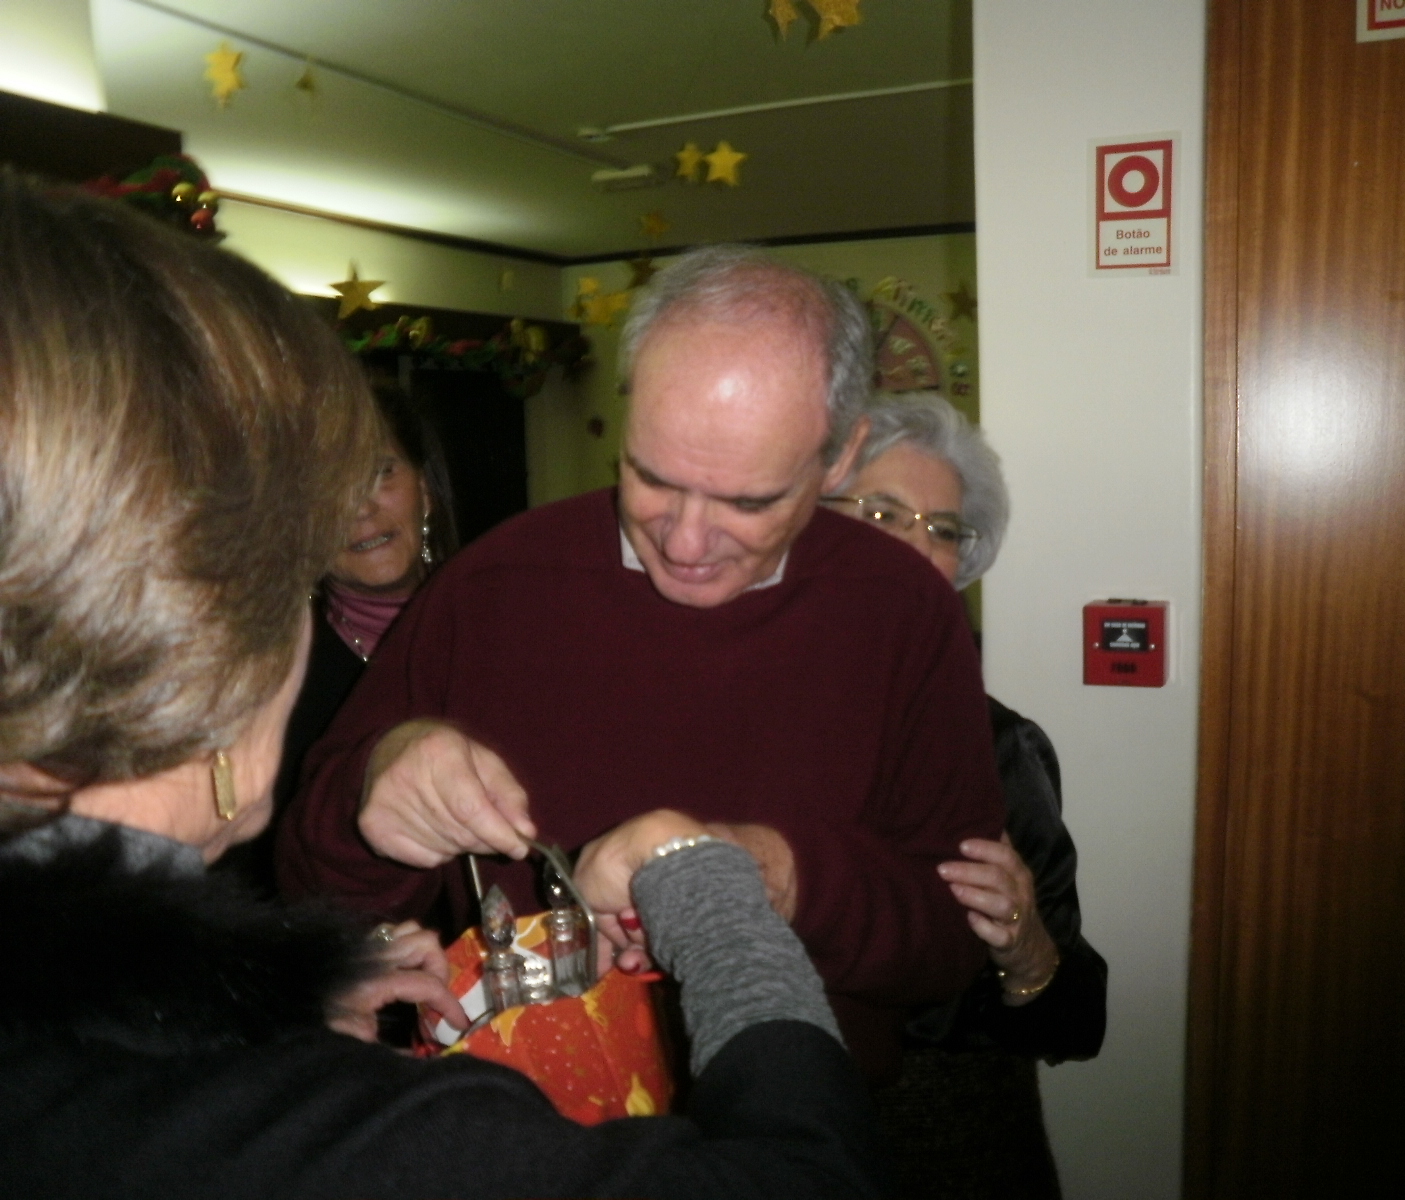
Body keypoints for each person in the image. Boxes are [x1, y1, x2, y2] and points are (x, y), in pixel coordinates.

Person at [0, 174, 883, 1200]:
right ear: (221, 639)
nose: (689, 535)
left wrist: (263, 1002)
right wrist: (699, 878)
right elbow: (808, 1180)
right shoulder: (372, 1140)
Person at [277, 245, 1005, 1084]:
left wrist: (765, 875)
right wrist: (374, 784)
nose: (685, 542)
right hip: (520, 1123)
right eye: (652, 479)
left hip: (786, 1122)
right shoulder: (492, 586)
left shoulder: (904, 610)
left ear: (841, 456)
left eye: (747, 501)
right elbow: (311, 895)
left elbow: (951, 946)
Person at [823, 392, 1107, 1200]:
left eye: (942, 529)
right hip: (761, 1136)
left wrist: (1027, 949)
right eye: (883, 513)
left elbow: (1077, 1022)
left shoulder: (999, 748)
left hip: (955, 1146)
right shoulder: (725, 717)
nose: (918, 549)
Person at [224, 383, 459, 897]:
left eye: (380, 472)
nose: (360, 508)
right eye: (328, 489)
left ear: (424, 490)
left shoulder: (501, 626)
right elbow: (254, 879)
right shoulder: (267, 682)